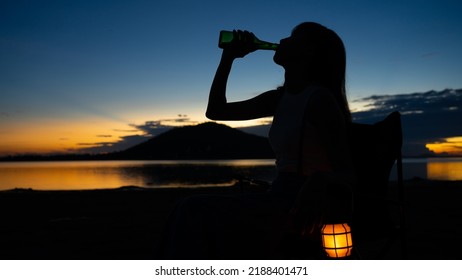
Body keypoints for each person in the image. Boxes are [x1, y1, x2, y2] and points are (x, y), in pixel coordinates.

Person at [156, 22, 355, 259]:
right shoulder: (281, 97)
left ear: (309, 52)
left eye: (293, 38)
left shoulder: (319, 99)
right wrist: (228, 58)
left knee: (193, 210)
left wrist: (320, 180)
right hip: (278, 197)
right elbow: (217, 111)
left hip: (301, 206)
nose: (282, 40)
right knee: (185, 208)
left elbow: (349, 173)